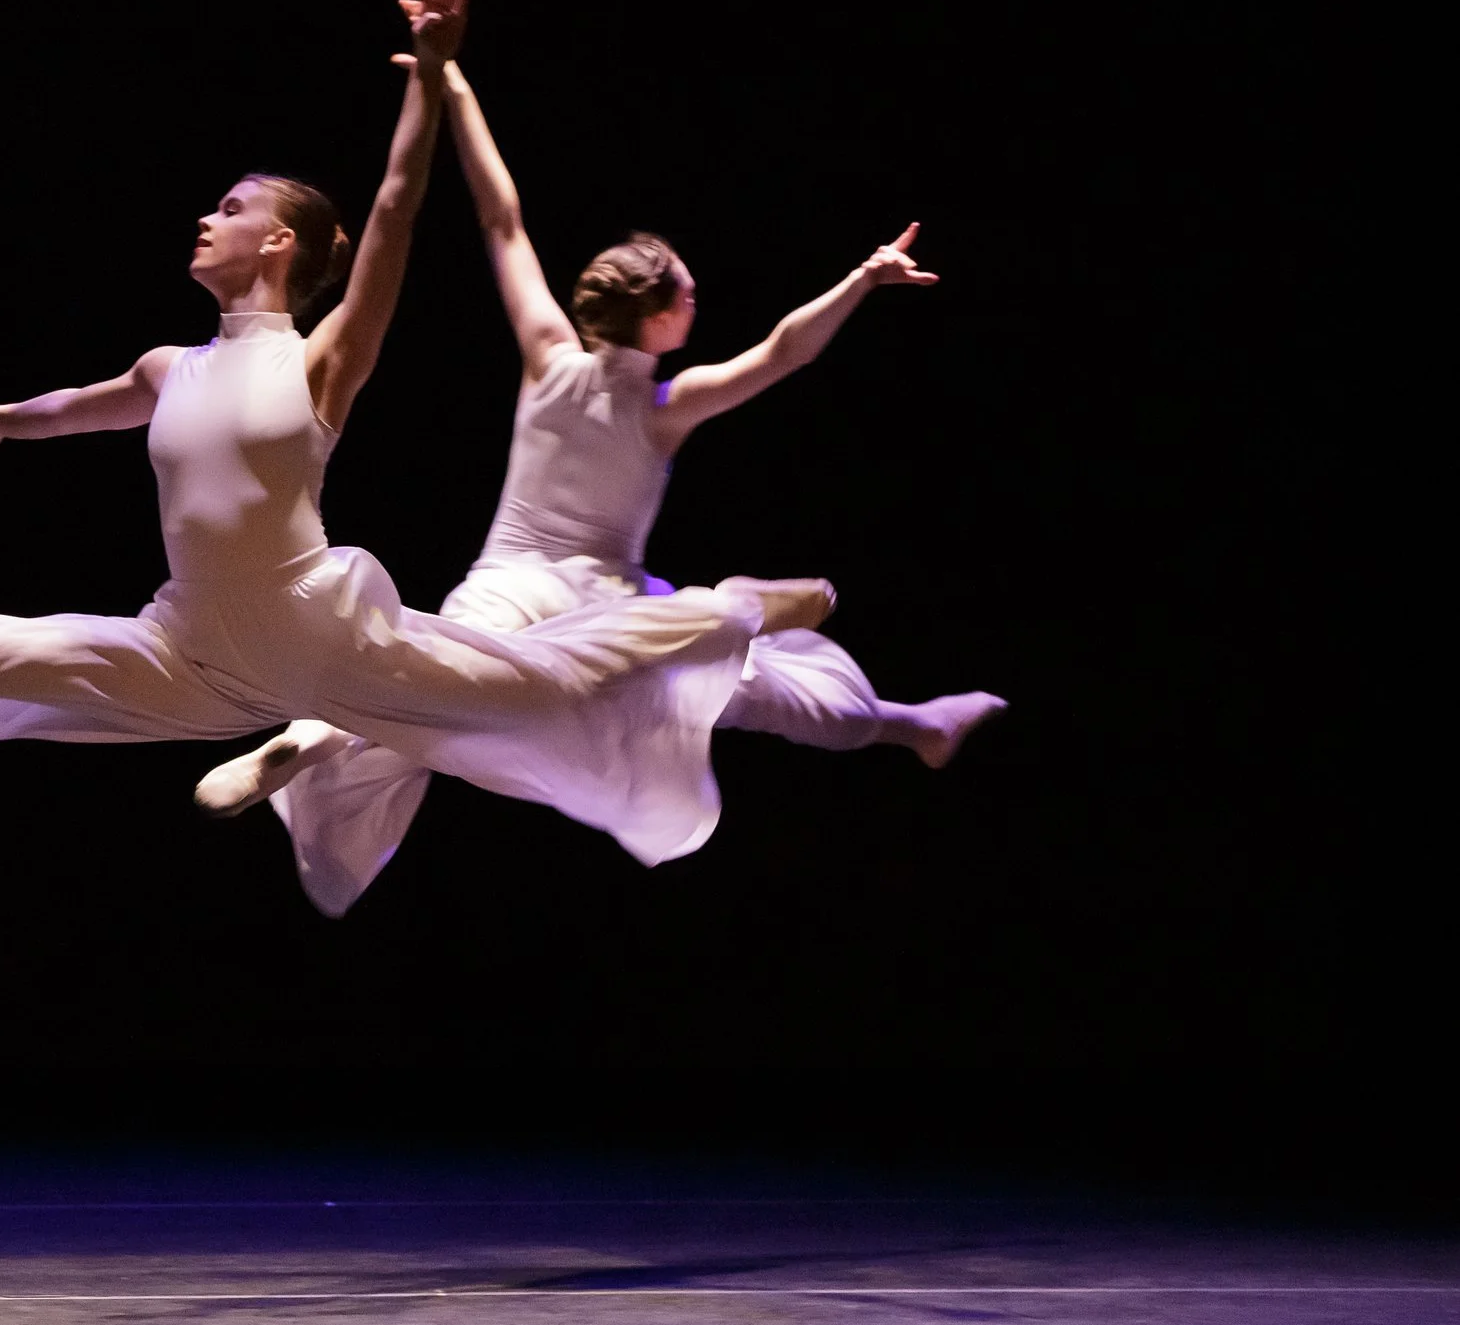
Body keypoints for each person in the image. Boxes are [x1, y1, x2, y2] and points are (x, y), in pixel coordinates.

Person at [0, 0, 834, 839]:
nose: (203, 218)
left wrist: (431, 81)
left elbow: (393, 212)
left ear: (277, 242)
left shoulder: (318, 359)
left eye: (227, 208)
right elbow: (83, 403)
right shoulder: (169, 368)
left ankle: (734, 608)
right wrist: (2, 421)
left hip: (326, 633)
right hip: (195, 646)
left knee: (563, 686)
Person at [191, 55, 1007, 916]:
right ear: (661, 316)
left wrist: (455, 86)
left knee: (418, 682)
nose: (696, 301)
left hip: (505, 584)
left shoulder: (550, 356)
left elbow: (501, 218)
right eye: (689, 293)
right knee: (756, 686)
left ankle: (305, 740)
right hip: (612, 602)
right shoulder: (667, 404)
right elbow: (785, 350)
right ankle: (861, 691)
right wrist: (863, 279)